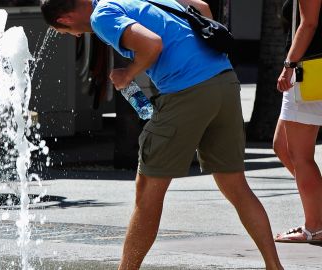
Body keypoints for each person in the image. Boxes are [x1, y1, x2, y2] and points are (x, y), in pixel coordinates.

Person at [40, 0, 284, 269]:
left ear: (64, 20)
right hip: (224, 80)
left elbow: (152, 44)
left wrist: (127, 74)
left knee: (147, 194)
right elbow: (201, 6)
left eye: (66, 32)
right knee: (236, 186)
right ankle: (274, 266)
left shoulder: (102, 17)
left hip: (187, 91)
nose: (74, 35)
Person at [273, 0, 322, 244]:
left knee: (300, 155)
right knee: (282, 145)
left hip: (309, 70)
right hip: (311, 69)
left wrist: (289, 65)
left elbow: (309, 23)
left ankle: (315, 227)